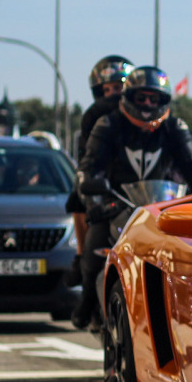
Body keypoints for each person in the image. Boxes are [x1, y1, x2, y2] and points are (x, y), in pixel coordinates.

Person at [73, 66, 192, 329]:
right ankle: (88, 299)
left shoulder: (175, 128)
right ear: (129, 98)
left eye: (153, 98)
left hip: (165, 209)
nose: (147, 104)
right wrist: (95, 201)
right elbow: (90, 168)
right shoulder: (108, 124)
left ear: (163, 101)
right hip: (117, 206)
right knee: (94, 246)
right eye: (141, 98)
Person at [63, 55, 135, 287]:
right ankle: (81, 257)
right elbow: (88, 160)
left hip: (138, 186)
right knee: (78, 196)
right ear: (99, 91)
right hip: (106, 183)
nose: (114, 93)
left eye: (119, 87)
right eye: (108, 89)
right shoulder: (94, 116)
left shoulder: (146, 115)